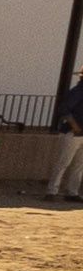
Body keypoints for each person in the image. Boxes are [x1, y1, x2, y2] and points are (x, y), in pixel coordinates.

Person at [50, 73, 83, 201]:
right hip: (73, 132)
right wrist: (75, 126)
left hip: (78, 133)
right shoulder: (78, 91)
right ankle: (52, 191)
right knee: (64, 162)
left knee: (79, 165)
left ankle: (72, 192)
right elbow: (64, 109)